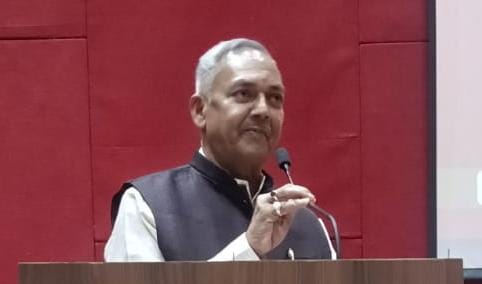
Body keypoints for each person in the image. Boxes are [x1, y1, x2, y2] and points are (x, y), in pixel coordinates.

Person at [104, 38, 334, 262]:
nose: (263, 110)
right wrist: (249, 248)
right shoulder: (147, 205)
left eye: (275, 98)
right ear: (200, 110)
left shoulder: (308, 225)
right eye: (243, 94)